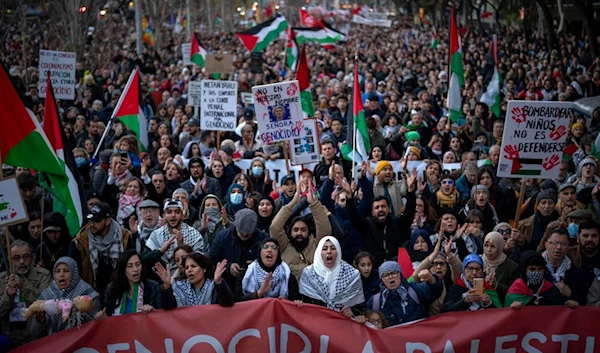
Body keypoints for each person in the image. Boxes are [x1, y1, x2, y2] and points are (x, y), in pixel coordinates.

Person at [347, 167, 418, 268]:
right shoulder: (367, 225)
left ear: (389, 209)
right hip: (374, 272)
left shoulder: (398, 224)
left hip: (398, 270)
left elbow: (409, 213)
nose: (380, 209)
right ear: (372, 212)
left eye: (383, 206)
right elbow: (354, 218)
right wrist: (349, 198)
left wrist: (411, 192)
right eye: (377, 207)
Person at [70, 202, 134, 301]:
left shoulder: (124, 237)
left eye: (96, 221)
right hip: (90, 297)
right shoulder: (80, 242)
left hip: (121, 294)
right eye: (90, 220)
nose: (91, 224)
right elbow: (74, 275)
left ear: (108, 221)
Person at [270, 184, 331, 280]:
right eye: (295, 230)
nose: (299, 233)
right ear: (290, 232)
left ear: (309, 232)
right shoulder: (284, 246)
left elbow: (325, 229)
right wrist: (292, 203)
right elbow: (275, 227)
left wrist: (314, 204)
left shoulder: (316, 246)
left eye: (303, 230)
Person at [30, 257, 100, 339]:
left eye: (66, 271)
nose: (61, 274)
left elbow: (95, 325)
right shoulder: (47, 295)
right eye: (58, 271)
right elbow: (35, 334)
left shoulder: (87, 293)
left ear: (74, 273)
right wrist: (40, 320)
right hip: (54, 345)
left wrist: (76, 313)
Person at [0, 240, 51, 348]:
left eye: (26, 257)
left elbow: (46, 305)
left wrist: (24, 286)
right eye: (17, 258)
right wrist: (8, 295)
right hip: (9, 337)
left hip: (36, 337)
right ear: (9, 259)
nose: (22, 262)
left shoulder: (43, 275)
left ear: (32, 257)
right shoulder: (1, 280)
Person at [297, 236, 365, 317]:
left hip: (342, 325)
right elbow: (303, 302)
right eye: (325, 249)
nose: (329, 252)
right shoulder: (308, 274)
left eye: (333, 248)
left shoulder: (352, 275)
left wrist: (352, 312)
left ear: (338, 252)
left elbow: (360, 308)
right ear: (319, 252)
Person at [367, 261, 442, 326]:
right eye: (386, 275)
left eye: (393, 273)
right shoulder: (375, 301)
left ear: (400, 275)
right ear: (382, 280)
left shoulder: (414, 289)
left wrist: (432, 280)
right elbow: (366, 319)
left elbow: (433, 293)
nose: (390, 277)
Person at [209, 208, 269, 291]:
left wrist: (256, 266)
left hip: (256, 285)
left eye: (248, 234)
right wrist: (228, 267)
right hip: (229, 284)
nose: (244, 235)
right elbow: (212, 260)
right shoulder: (223, 237)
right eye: (241, 233)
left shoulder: (263, 238)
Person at [144, 199, 206, 275]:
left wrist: (182, 247)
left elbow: (202, 262)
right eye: (169, 212)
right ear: (163, 216)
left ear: (182, 215)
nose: (173, 215)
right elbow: (143, 260)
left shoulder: (194, 234)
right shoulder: (156, 235)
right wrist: (161, 251)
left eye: (177, 212)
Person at [95, 250, 161, 318]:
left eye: (138, 264)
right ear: (122, 269)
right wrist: (103, 317)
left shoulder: (153, 287)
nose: (135, 269)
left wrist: (154, 311)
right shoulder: (112, 288)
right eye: (130, 266)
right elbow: (107, 313)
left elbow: (163, 317)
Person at [156, 252, 234, 308]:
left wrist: (219, 283)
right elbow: (167, 307)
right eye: (186, 268)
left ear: (204, 269)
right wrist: (166, 286)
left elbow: (228, 304)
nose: (189, 270)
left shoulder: (213, 286)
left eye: (193, 266)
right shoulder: (178, 287)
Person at [541, 229, 587, 305]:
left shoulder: (575, 272)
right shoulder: (535, 268)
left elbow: (584, 301)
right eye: (555, 243)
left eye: (563, 244)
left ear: (568, 247)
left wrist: (570, 294)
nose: (559, 247)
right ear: (546, 244)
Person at [482, 232, 519, 303]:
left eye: (493, 246)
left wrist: (496, 285)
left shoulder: (512, 267)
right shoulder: (477, 262)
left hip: (500, 307)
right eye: (486, 246)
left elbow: (513, 293)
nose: (488, 250)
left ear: (500, 247)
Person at [568, 220, 600, 288]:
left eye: (594, 236)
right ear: (578, 238)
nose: (590, 239)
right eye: (585, 236)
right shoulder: (568, 254)